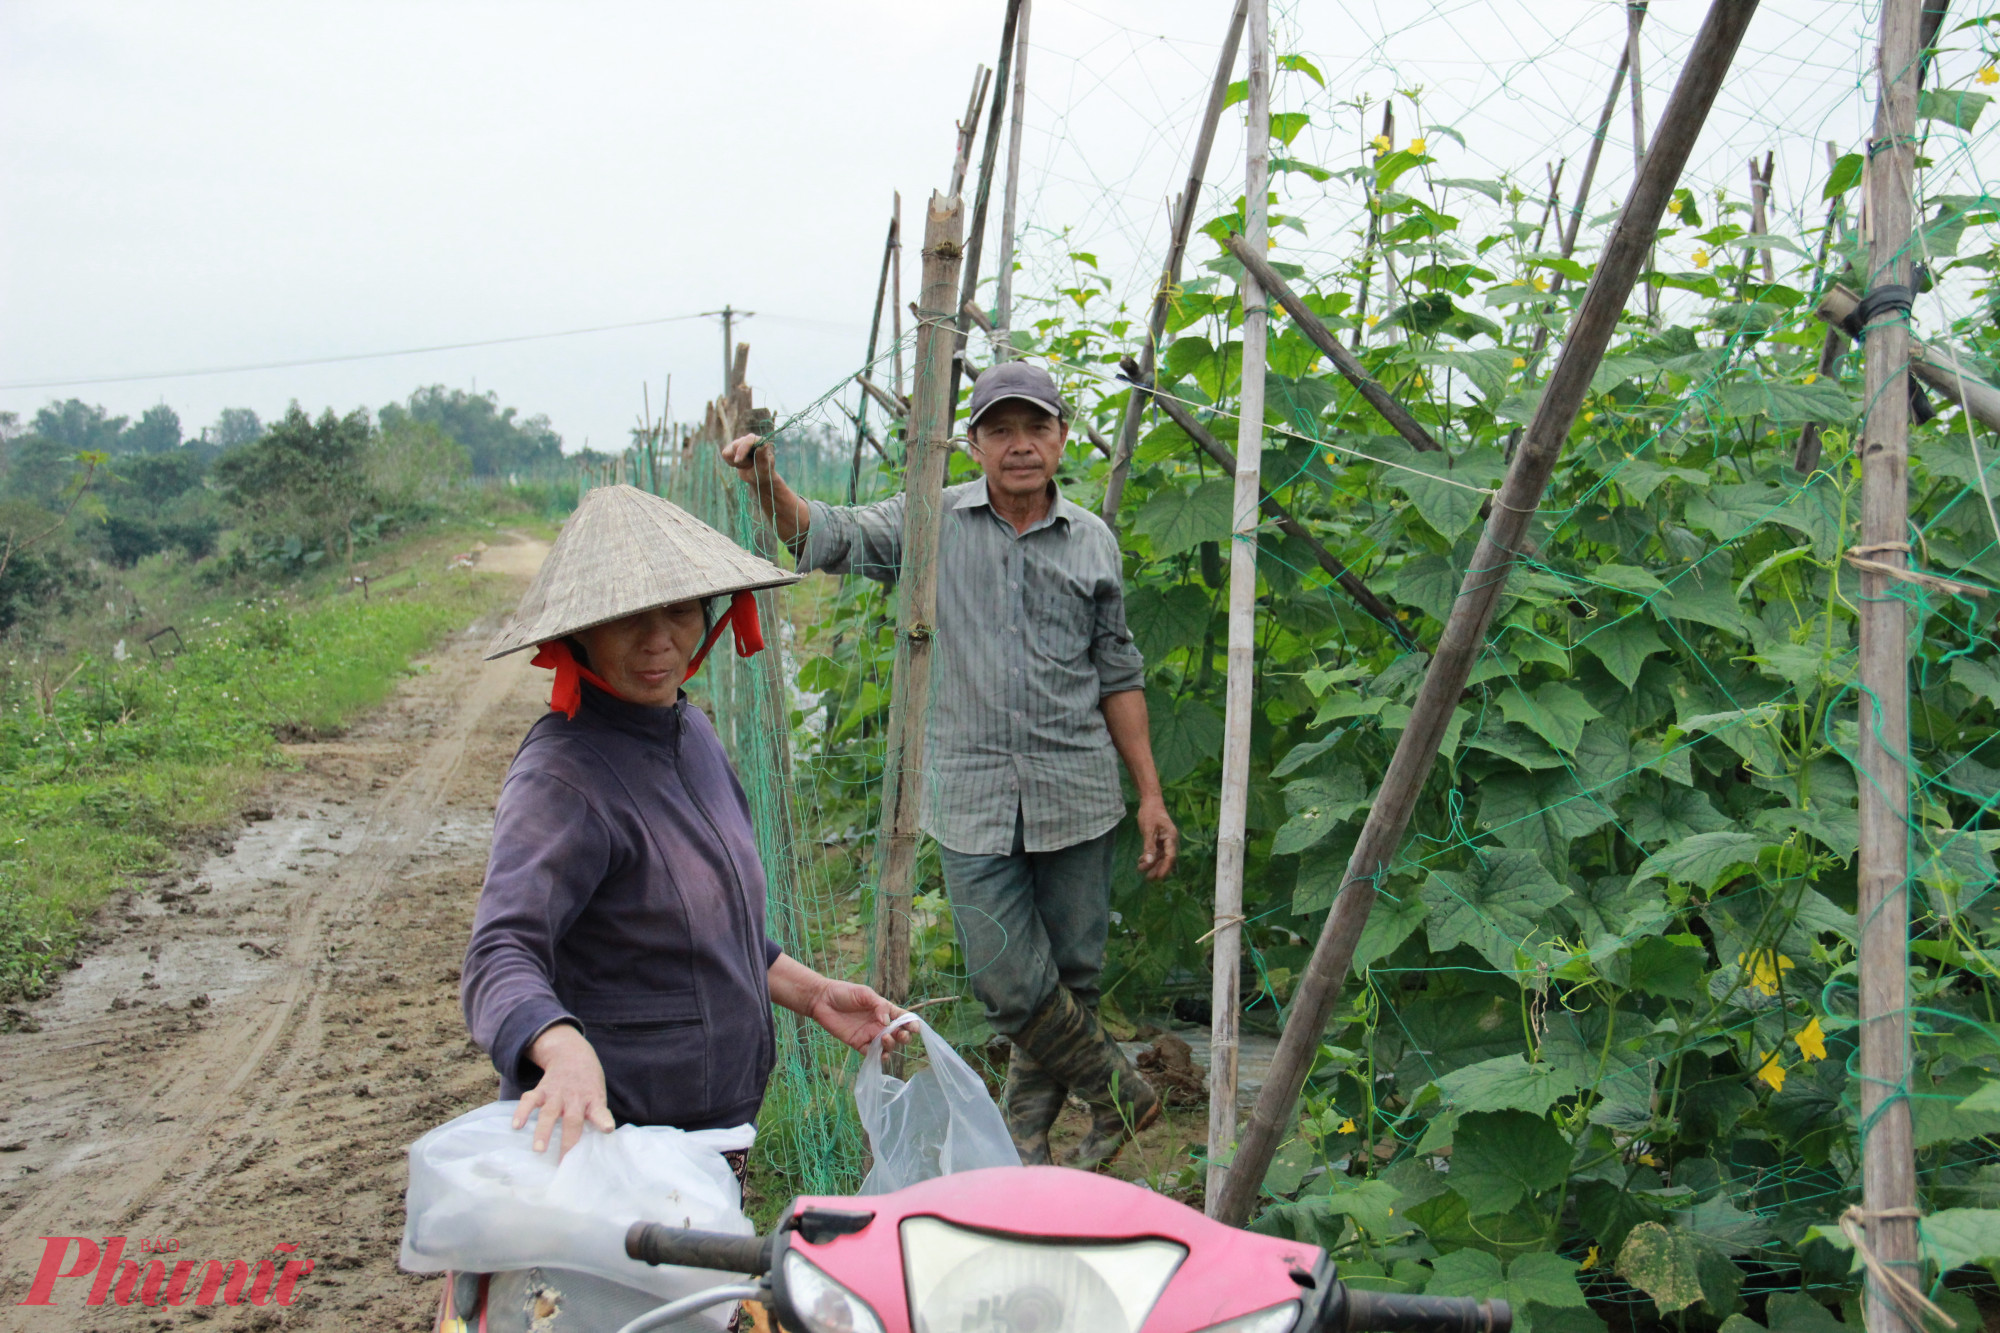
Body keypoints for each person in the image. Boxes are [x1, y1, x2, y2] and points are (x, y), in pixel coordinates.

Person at [451, 483, 906, 1331]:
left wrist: (808, 992)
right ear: (576, 633)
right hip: (619, 1153)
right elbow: (500, 955)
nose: (660, 640)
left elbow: (710, 928)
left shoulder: (687, 733)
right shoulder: (564, 776)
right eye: (629, 617)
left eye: (681, 610)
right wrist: (564, 1049)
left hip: (710, 1140)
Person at [721, 359, 1179, 1172]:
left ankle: (1024, 1147)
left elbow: (1120, 672)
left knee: (1071, 978)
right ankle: (1122, 1095)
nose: (1021, 445)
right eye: (1000, 429)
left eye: (1036, 427)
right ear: (972, 444)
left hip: (1076, 787)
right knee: (1009, 982)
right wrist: (768, 483)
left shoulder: (1093, 542)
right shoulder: (931, 522)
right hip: (970, 796)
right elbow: (827, 533)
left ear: (1063, 437)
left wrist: (1149, 793)